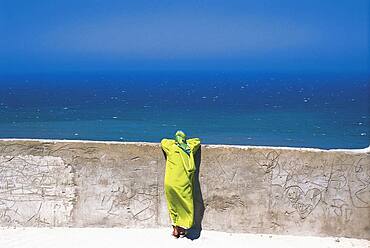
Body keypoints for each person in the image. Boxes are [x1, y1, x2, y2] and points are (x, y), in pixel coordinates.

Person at [161, 130, 201, 238]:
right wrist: (185, 143)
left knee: (173, 205)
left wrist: (175, 142)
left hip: (170, 182)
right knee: (185, 205)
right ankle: (182, 229)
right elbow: (197, 141)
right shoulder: (189, 149)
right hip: (183, 183)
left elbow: (163, 141)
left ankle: (175, 229)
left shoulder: (171, 148)